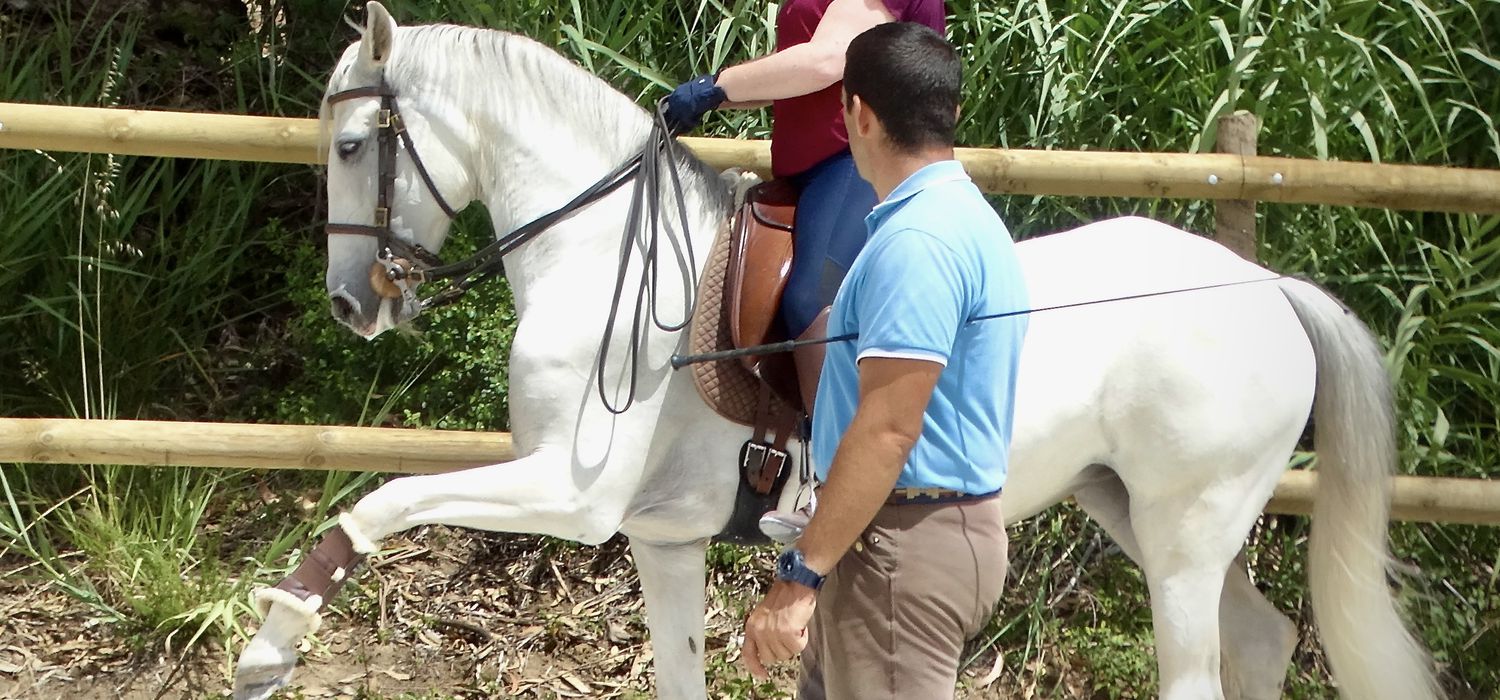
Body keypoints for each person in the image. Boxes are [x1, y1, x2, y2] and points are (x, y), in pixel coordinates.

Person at [737, 22, 1030, 699]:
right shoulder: (961, 219)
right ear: (951, 113)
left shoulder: (918, 243)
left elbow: (890, 427)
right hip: (888, 540)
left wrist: (800, 576)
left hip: (901, 549)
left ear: (857, 115)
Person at [663, 0, 946, 342]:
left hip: (861, 162)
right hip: (810, 170)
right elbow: (795, 62)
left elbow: (825, 60)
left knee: (813, 302)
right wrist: (714, 96)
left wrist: (716, 85)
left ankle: (843, 397)